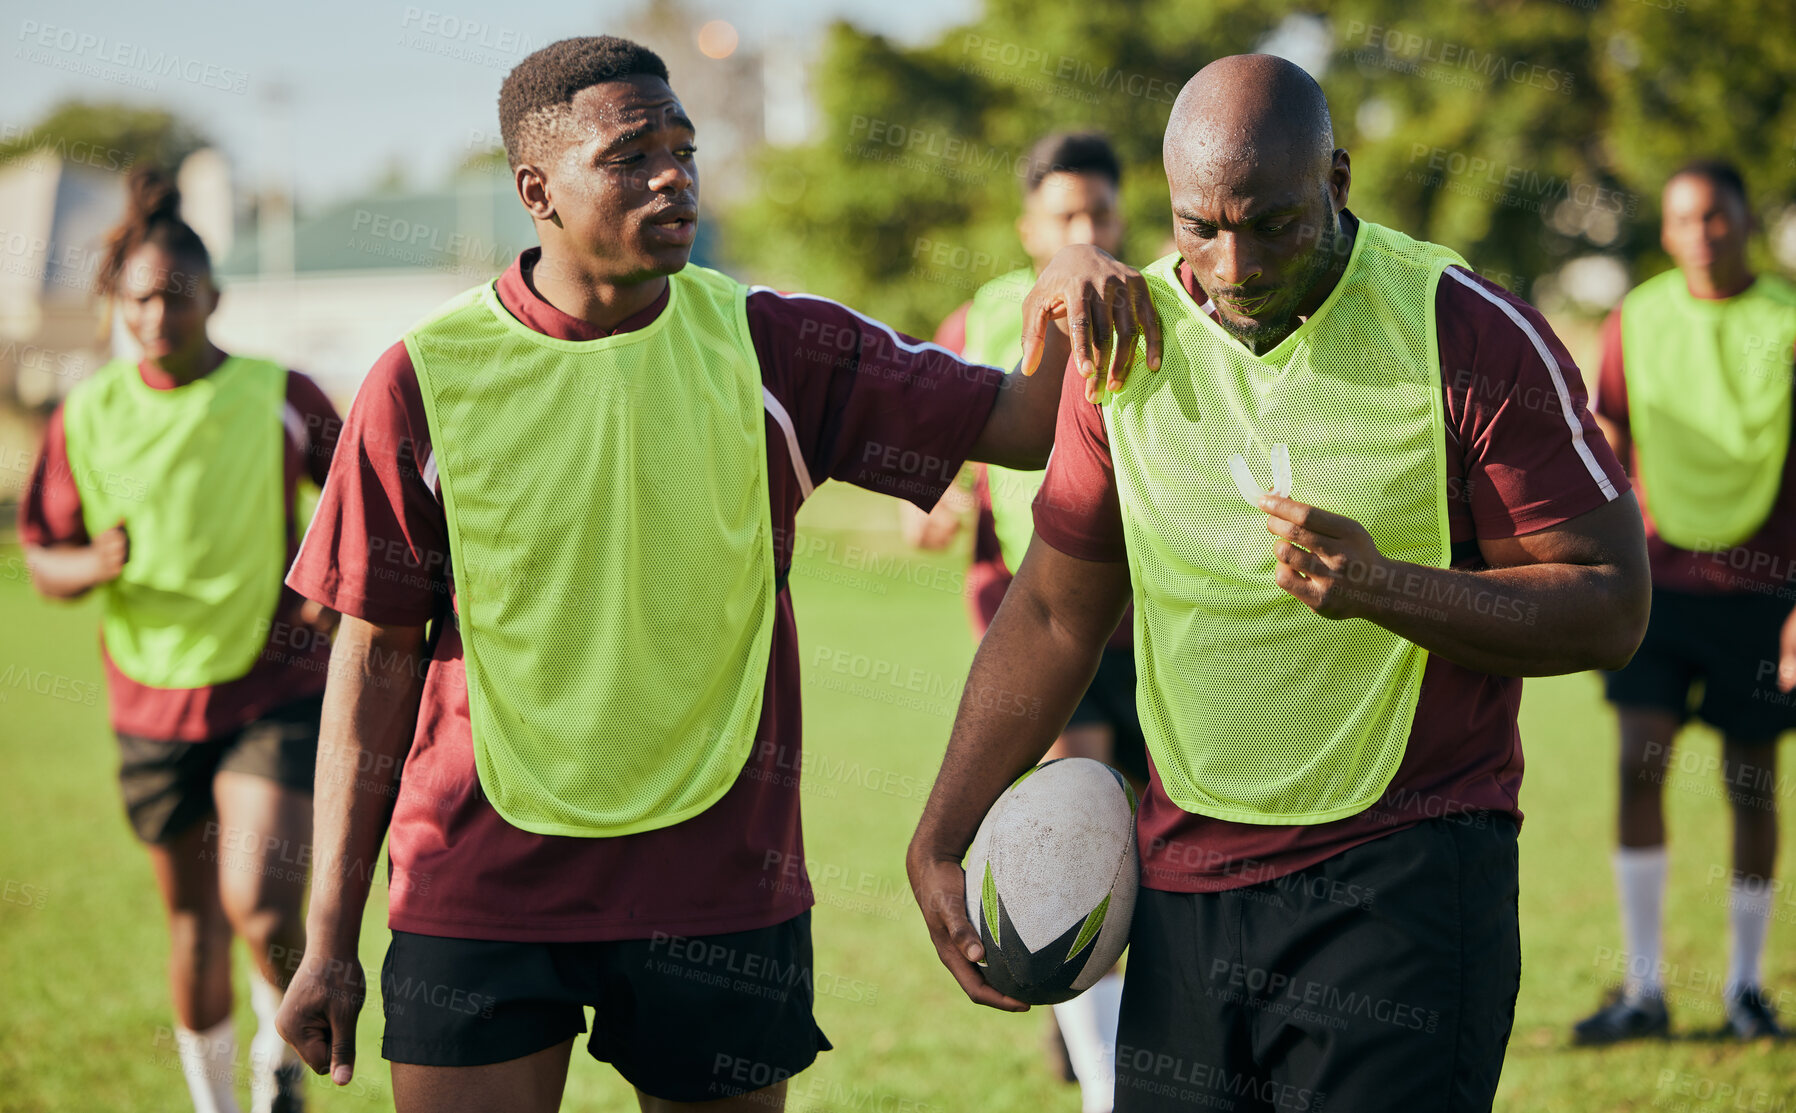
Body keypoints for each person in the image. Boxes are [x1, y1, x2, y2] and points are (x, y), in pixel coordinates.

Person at [273, 36, 1145, 1113]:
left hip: (720, 893)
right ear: (534, 189)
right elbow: (374, 661)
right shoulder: (419, 381)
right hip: (477, 886)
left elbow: (1016, 424)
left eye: (684, 148)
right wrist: (328, 939)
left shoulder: (770, 346)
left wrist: (1059, 288)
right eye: (633, 154)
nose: (674, 174)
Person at [907, 53, 1652, 1110]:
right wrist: (941, 834)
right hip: (1185, 889)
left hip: (1403, 878)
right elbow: (1050, 612)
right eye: (1197, 225)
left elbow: (1609, 604)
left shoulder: (1464, 329)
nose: (1232, 261)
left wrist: (1385, 587)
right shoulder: (1128, 342)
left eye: (1271, 224)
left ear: (1336, 181)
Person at [19, 167, 341, 1113]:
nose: (158, 314)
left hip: (273, 684)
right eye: (139, 299)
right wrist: (97, 562)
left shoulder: (281, 394)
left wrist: (332, 588)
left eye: (176, 295)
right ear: (119, 305)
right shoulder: (87, 415)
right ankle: (215, 1104)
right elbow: (45, 559)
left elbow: (364, 496)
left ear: (214, 297)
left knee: (263, 903)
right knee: (195, 923)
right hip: (150, 697)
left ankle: (279, 1066)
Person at [907, 131, 1141, 1113]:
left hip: (1155, 613)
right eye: (1063, 216)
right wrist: (940, 502)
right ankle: (1103, 1086)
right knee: (1076, 806)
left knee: (1140, 824)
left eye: (1098, 213)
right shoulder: (981, 316)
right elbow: (946, 455)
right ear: (1026, 225)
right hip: (1036, 610)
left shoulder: (1156, 294)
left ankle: (1100, 1011)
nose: (1083, 231)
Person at [1575, 159, 1796, 1044]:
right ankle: (1644, 988)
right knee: (1638, 762)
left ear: (1744, 222)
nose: (1701, 234)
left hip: (1763, 587)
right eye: (1683, 220)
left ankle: (1745, 990)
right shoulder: (1639, 319)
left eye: (1716, 218)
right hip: (1658, 584)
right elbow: (1611, 446)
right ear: (1664, 232)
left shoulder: (1786, 319)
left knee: (1751, 782)